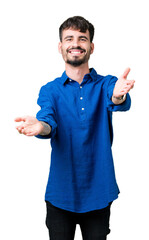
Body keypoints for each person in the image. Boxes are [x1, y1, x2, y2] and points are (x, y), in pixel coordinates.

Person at [15, 16, 135, 240]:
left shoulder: (106, 83)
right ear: (61, 47)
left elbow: (117, 99)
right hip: (61, 193)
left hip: (99, 191)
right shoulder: (50, 90)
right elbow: (48, 121)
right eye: (69, 38)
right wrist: (40, 126)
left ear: (91, 46)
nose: (76, 43)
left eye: (82, 38)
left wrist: (118, 96)